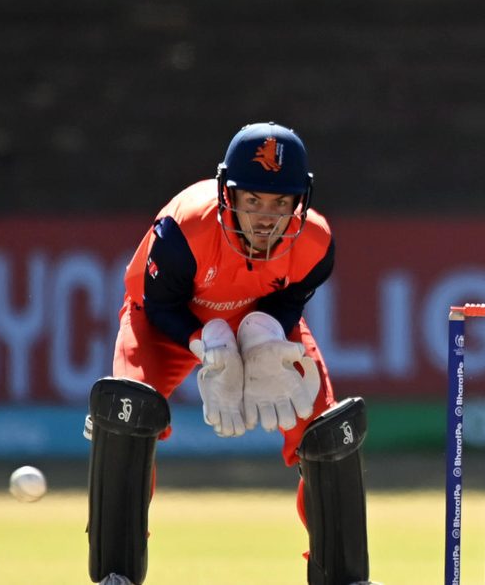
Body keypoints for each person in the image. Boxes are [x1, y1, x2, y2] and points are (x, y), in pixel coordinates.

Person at [84, 122, 377, 585]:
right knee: (127, 414)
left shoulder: (316, 244)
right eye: (253, 200)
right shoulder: (185, 229)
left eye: (281, 203)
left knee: (324, 428)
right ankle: (114, 574)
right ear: (229, 195)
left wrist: (264, 336)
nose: (267, 217)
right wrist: (206, 345)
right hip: (170, 321)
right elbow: (159, 305)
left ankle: (343, 576)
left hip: (258, 317)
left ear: (299, 201)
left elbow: (287, 300)